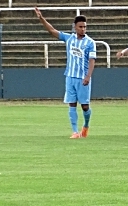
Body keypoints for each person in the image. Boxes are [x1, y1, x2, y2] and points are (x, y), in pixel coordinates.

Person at [33, 9, 96, 138]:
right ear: (75, 27)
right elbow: (52, 31)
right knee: (71, 104)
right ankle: (75, 131)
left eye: (85, 27)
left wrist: (88, 76)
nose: (83, 29)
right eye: (80, 27)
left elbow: (92, 60)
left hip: (82, 78)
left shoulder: (90, 42)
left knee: (85, 106)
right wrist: (41, 18)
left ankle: (86, 125)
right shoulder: (69, 38)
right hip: (70, 76)